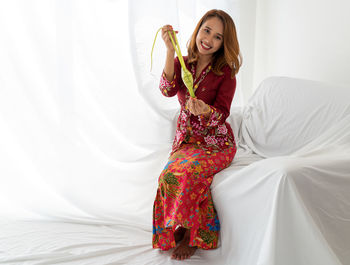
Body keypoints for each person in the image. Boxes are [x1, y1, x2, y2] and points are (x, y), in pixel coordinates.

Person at [152, 9, 242, 260]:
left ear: (225, 43)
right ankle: (175, 227)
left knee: (192, 172)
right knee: (168, 175)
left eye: (218, 37)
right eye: (207, 30)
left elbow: (223, 112)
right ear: (198, 29)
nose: (209, 39)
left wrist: (205, 110)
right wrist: (170, 51)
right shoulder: (184, 62)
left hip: (216, 143)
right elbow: (167, 89)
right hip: (187, 140)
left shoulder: (226, 73)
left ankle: (193, 235)